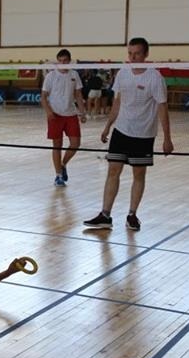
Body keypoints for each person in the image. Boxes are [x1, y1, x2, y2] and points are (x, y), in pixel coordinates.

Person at [84, 37, 174, 232]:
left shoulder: (155, 78)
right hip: (121, 131)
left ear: (146, 54)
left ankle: (132, 215)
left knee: (138, 174)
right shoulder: (123, 73)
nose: (133, 57)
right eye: (130, 53)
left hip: (143, 134)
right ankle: (105, 215)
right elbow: (117, 101)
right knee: (113, 171)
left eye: (137, 54)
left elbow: (162, 107)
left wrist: (167, 138)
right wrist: (108, 126)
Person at [41, 49, 87, 187]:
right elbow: (43, 97)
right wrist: (48, 111)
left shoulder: (74, 75)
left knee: (75, 144)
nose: (62, 63)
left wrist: (82, 112)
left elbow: (78, 95)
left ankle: (63, 164)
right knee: (57, 146)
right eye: (60, 60)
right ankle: (58, 176)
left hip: (71, 114)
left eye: (65, 60)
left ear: (69, 61)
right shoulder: (51, 76)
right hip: (55, 115)